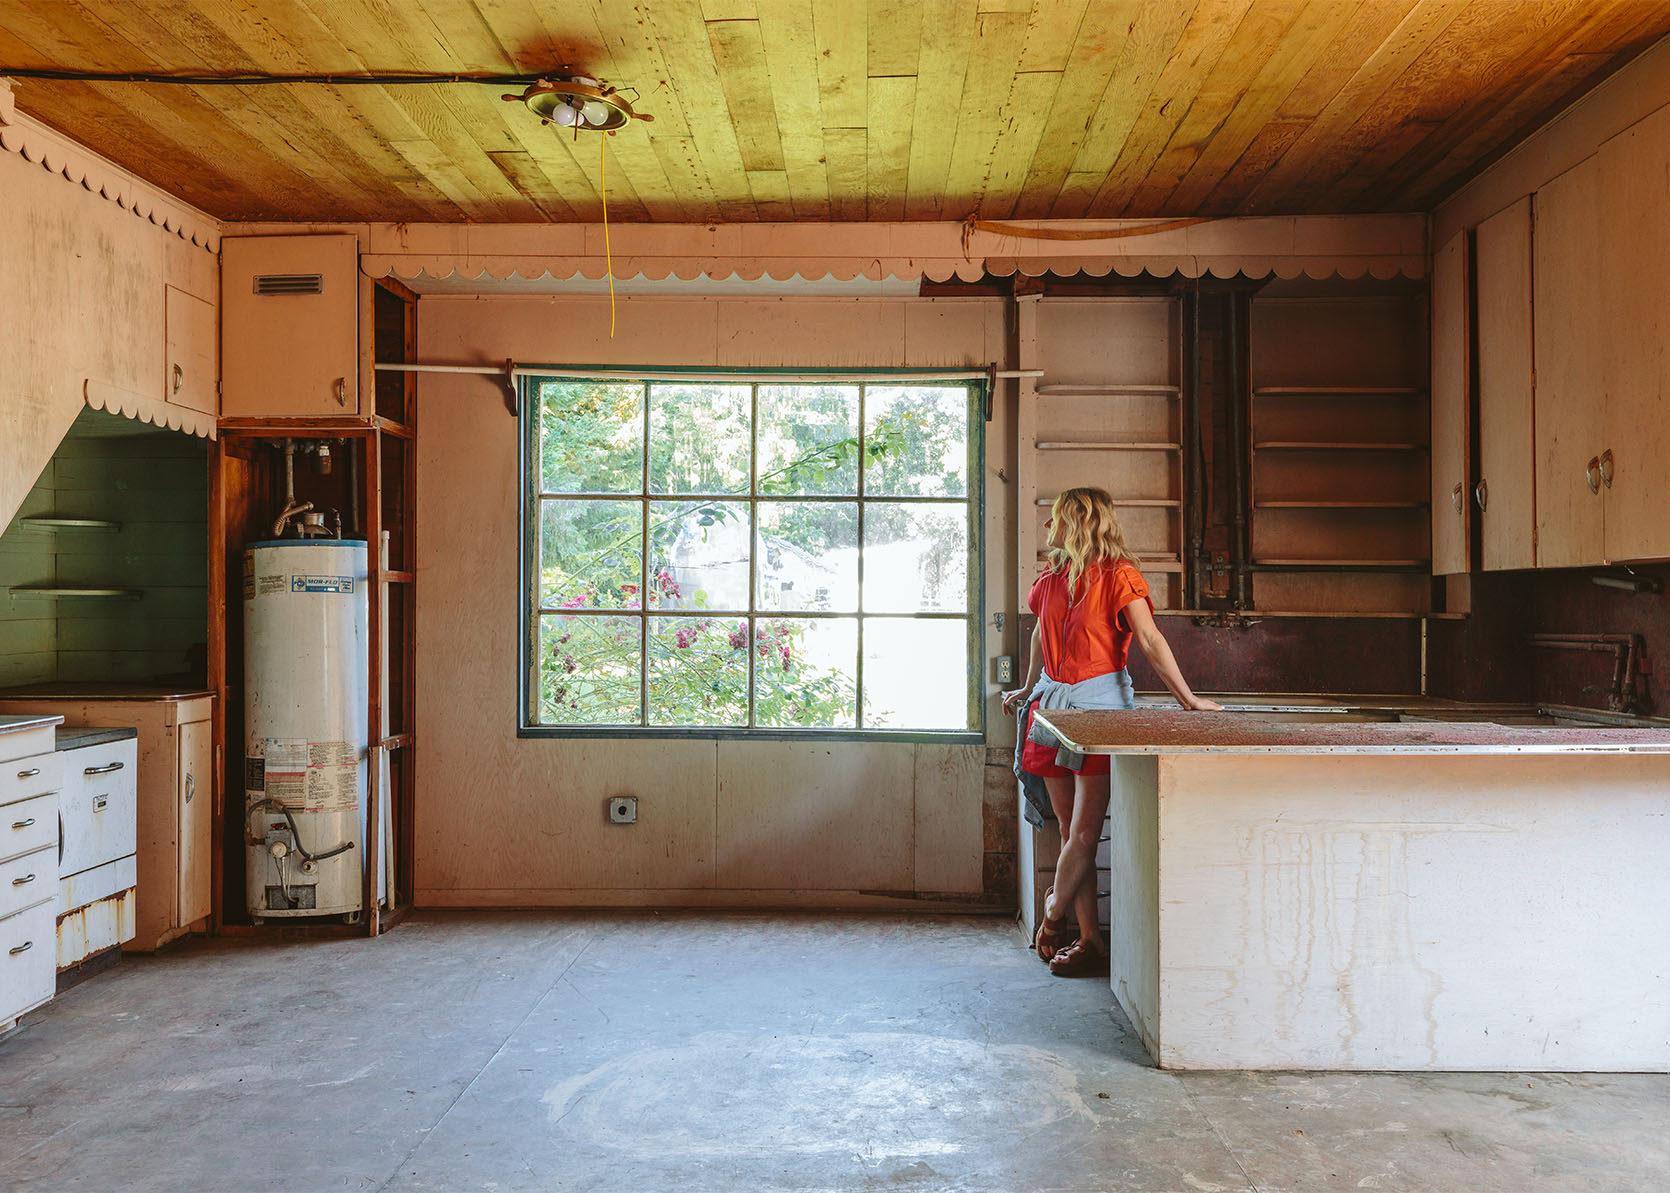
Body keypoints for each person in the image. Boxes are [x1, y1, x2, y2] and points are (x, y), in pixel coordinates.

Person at [1002, 487, 1221, 978]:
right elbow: (1040, 631)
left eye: (1055, 519)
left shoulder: (1121, 576)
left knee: (1082, 832)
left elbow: (1148, 638)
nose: (1047, 528)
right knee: (1068, 832)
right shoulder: (1052, 576)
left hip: (1101, 712)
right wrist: (1027, 685)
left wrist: (1188, 699)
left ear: (1078, 522)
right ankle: (1089, 940)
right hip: (1051, 709)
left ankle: (1053, 918)